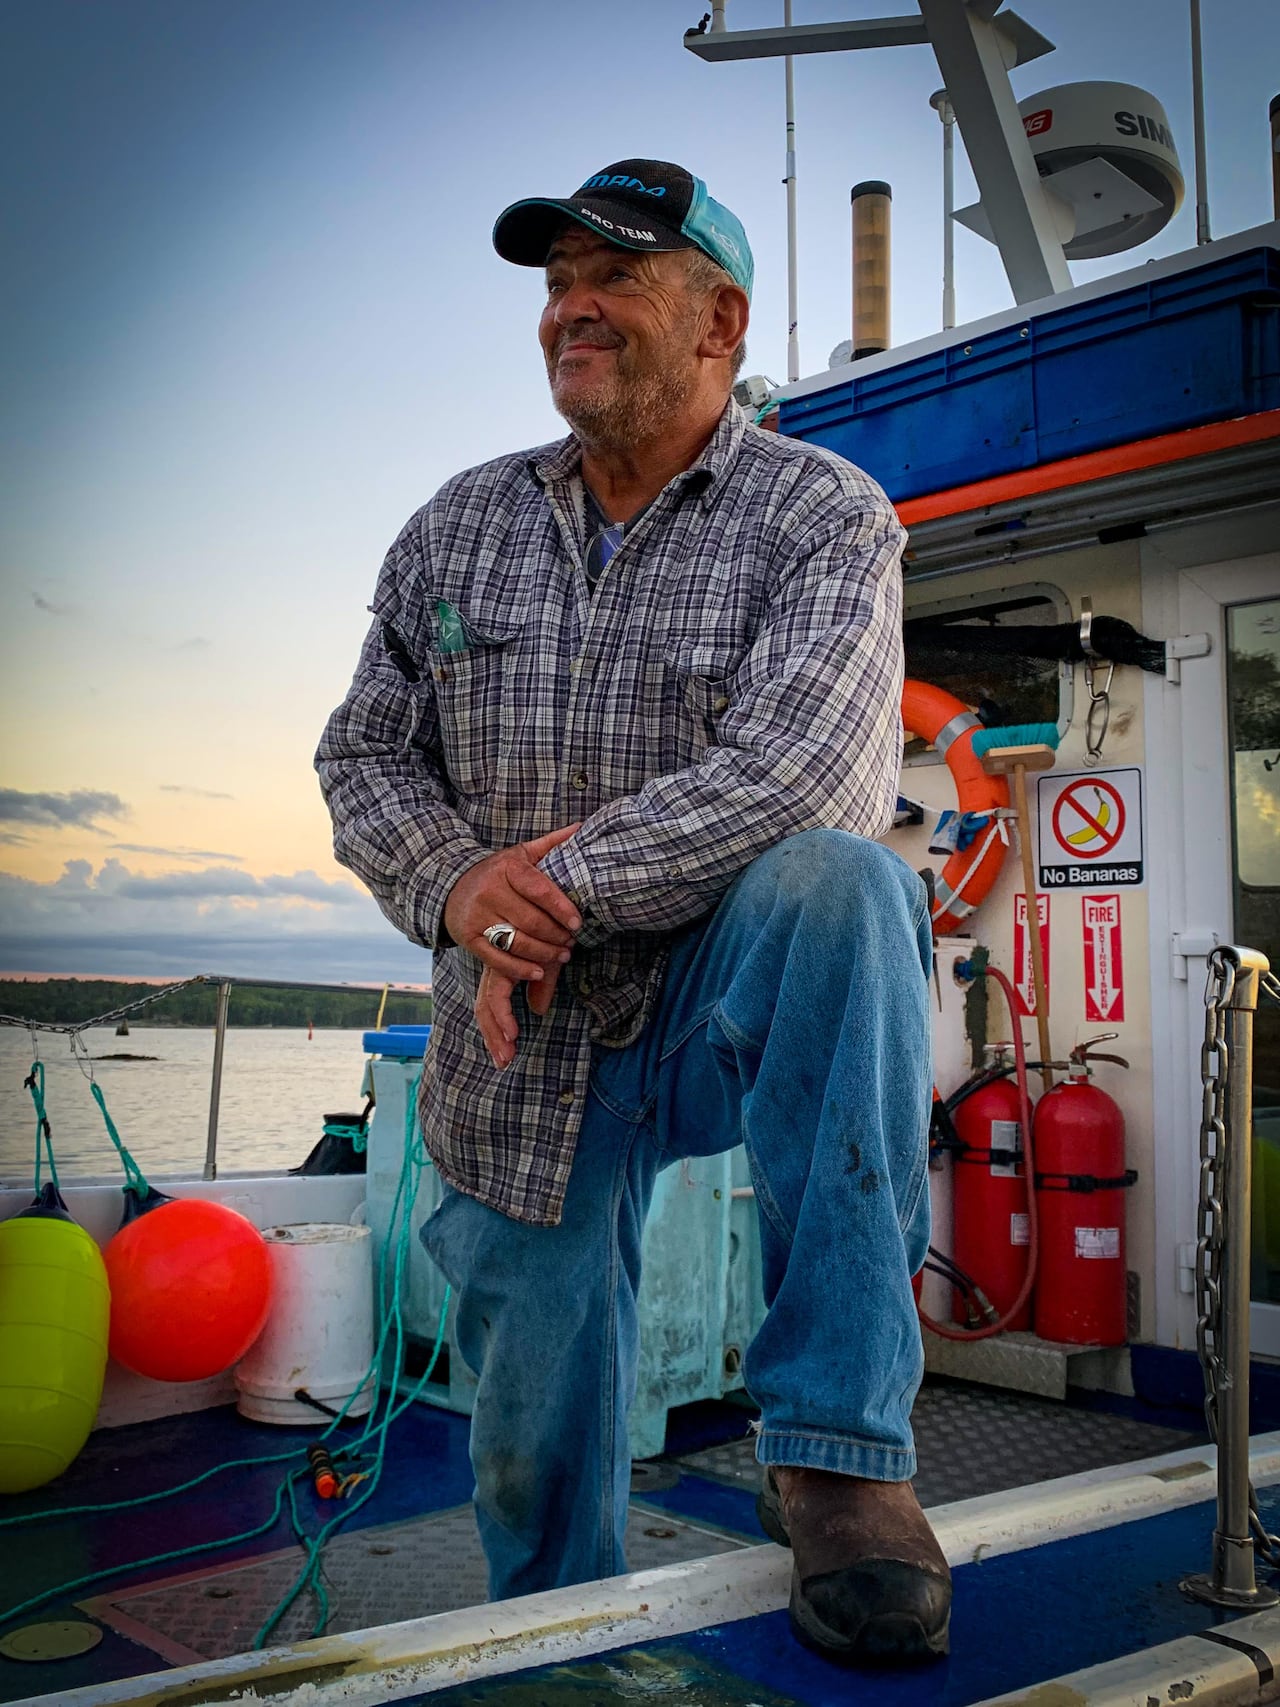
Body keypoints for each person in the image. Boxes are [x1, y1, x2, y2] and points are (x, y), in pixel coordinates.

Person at [317, 158, 949, 1666]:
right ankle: (559, 1652)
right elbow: (362, 754)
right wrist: (458, 886)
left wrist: (547, 896)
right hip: (516, 1041)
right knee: (531, 1463)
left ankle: (841, 1461)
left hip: (719, 1004)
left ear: (720, 323)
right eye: (554, 284)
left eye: (614, 279)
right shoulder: (450, 532)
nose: (569, 311)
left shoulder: (825, 516)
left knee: (847, 884)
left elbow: (809, 773)